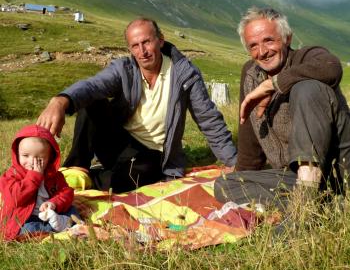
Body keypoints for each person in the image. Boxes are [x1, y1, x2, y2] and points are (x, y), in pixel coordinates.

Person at [37, 18, 237, 193]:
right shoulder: (124, 69)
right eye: (135, 45)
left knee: (129, 180)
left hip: (153, 155)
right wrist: (60, 101)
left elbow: (208, 119)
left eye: (146, 42)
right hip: (120, 142)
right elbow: (93, 86)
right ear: (130, 49)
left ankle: (86, 181)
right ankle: (76, 169)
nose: (142, 51)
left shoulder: (185, 75)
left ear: (160, 40)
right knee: (93, 100)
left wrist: (234, 162)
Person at [215, 7, 350, 209]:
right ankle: (325, 203)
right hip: (293, 177)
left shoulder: (308, 56)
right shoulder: (250, 74)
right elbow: (250, 142)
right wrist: (243, 175)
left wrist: (273, 84)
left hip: (339, 169)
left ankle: (307, 203)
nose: (262, 52)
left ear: (287, 38)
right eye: (253, 46)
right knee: (225, 186)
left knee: (306, 88)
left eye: (269, 40)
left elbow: (331, 67)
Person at [0, 124, 75, 240]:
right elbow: (13, 199)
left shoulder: (55, 175)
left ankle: (61, 223)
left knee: (73, 210)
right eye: (25, 156)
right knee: (26, 229)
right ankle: (56, 228)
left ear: (50, 158)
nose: (32, 162)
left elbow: (66, 192)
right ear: (17, 154)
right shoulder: (10, 176)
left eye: (39, 158)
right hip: (25, 217)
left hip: (51, 212)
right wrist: (34, 176)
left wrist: (54, 203)